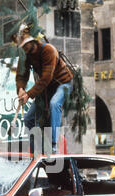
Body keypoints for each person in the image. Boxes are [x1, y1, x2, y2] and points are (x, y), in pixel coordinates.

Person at [13, 24, 73, 154]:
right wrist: (21, 89)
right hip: (46, 88)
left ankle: (53, 144)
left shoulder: (48, 50)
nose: (24, 47)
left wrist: (28, 94)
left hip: (63, 84)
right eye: (22, 45)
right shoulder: (26, 54)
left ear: (33, 41)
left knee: (54, 104)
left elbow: (46, 77)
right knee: (29, 119)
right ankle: (38, 149)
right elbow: (21, 75)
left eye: (26, 44)